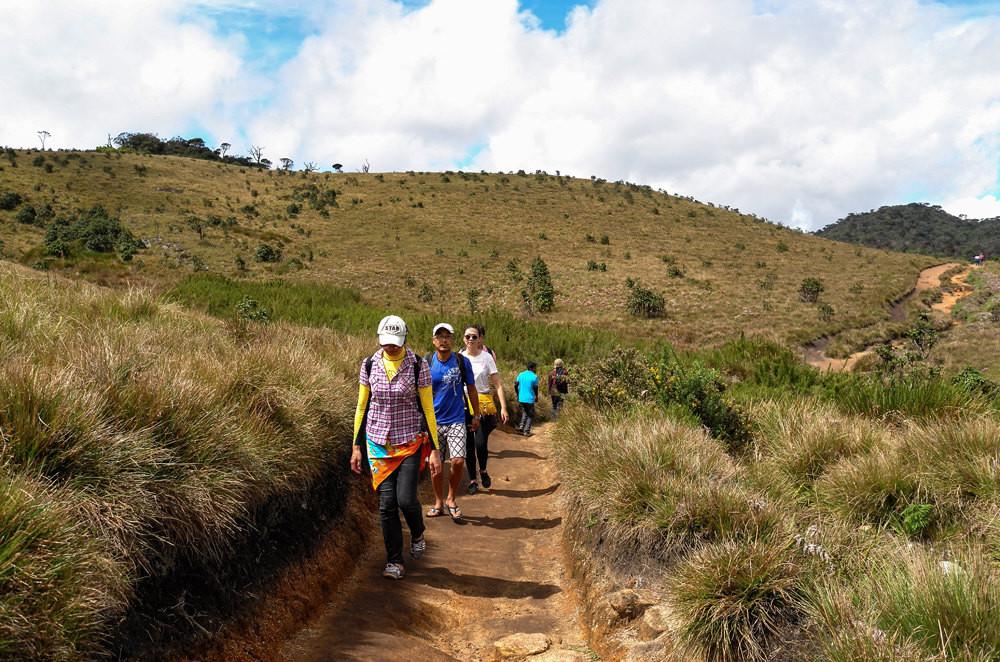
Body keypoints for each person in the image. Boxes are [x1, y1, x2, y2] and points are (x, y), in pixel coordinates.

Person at [350, 315, 442, 580]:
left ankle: (417, 531)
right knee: (386, 504)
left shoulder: (417, 365)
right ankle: (394, 561)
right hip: (377, 443)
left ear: (405, 340)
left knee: (405, 499)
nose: (390, 347)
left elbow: (427, 408)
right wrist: (356, 447)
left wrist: (435, 450)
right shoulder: (369, 365)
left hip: (409, 441)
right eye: (386, 342)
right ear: (379, 339)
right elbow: (361, 407)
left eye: (395, 343)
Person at [426, 322, 480, 521]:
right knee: (436, 465)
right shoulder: (426, 362)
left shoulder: (461, 361)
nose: (443, 340)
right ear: (434, 341)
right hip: (434, 421)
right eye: (439, 336)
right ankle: (438, 502)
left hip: (457, 419)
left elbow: (472, 389)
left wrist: (476, 414)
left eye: (447, 336)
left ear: (452, 340)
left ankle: (451, 498)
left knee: (457, 461)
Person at [460, 326, 509, 494]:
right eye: (468, 336)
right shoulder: (459, 358)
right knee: (468, 444)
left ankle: (483, 470)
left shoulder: (487, 358)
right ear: (463, 339)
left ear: (479, 338)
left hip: (483, 403)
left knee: (480, 442)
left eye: (474, 336)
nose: (471, 340)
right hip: (464, 404)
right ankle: (473, 480)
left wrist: (503, 407)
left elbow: (497, 384)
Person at [514, 362, 539, 436]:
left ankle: (521, 426)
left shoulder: (521, 374)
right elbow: (535, 388)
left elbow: (516, 385)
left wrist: (517, 393)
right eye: (535, 368)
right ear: (532, 368)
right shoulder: (534, 376)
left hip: (521, 398)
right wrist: (536, 396)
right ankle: (526, 431)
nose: (535, 369)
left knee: (525, 411)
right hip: (529, 399)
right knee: (530, 415)